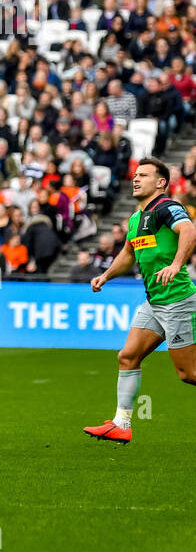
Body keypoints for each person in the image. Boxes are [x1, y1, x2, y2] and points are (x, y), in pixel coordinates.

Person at [83, 158, 196, 444]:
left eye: (143, 175)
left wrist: (176, 264)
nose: (135, 179)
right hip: (154, 303)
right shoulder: (136, 218)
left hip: (178, 300)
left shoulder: (167, 207)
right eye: (135, 174)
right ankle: (121, 424)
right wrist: (106, 275)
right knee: (127, 356)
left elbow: (189, 231)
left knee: (188, 373)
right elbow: (129, 254)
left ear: (160, 183)